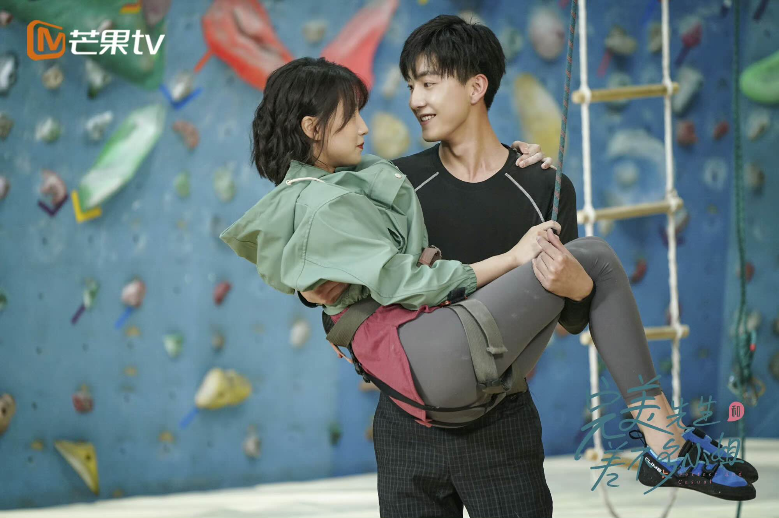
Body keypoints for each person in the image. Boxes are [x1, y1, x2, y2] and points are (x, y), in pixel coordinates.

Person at [222, 18, 757, 518]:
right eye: (410, 86)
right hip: (407, 427)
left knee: (590, 260)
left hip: (500, 425)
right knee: (596, 254)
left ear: (476, 87)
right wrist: (310, 291)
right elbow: (334, 259)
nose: (414, 100)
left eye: (428, 84)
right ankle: (667, 442)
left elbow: (571, 320)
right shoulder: (397, 182)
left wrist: (577, 287)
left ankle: (667, 444)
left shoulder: (544, 186)